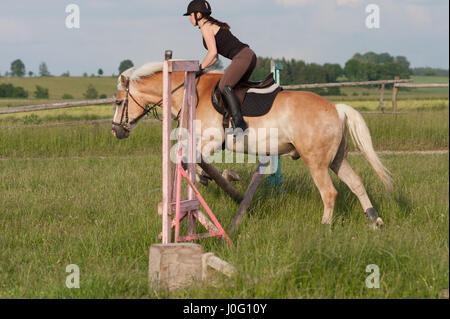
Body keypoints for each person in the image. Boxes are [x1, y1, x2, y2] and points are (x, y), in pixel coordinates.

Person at [184, 0, 256, 132]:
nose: (189, 18)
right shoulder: (210, 24)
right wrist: (204, 67)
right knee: (235, 89)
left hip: (242, 57)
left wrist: (199, 68)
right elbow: (215, 58)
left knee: (224, 86)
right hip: (248, 56)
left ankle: (239, 124)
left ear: (198, 14)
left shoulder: (206, 26)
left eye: (190, 15)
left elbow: (212, 53)